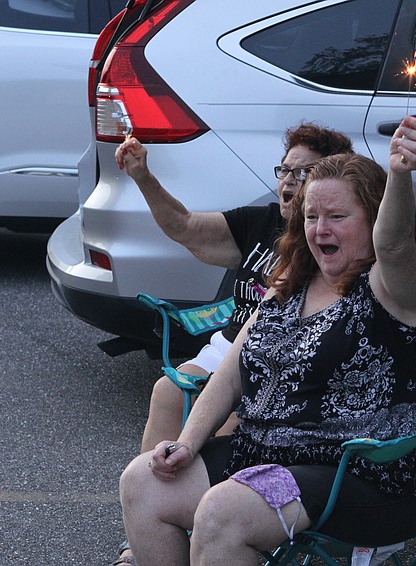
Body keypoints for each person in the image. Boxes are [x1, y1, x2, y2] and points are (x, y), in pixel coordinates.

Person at [118, 116, 416, 565]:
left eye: (338, 217)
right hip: (271, 452)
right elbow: (231, 373)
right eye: (312, 217)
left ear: (373, 217)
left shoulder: (396, 287)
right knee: (143, 482)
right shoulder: (291, 282)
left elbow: (395, 245)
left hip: (369, 471)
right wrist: (187, 441)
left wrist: (400, 174)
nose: (321, 230)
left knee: (225, 512)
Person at [112, 123, 353, 565]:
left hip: (274, 359)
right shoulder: (260, 222)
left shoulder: (327, 249)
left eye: (303, 173)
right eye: (285, 170)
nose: (289, 181)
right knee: (167, 391)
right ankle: (152, 528)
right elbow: (185, 227)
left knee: (231, 421)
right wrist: (143, 176)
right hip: (232, 344)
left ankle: (211, 527)